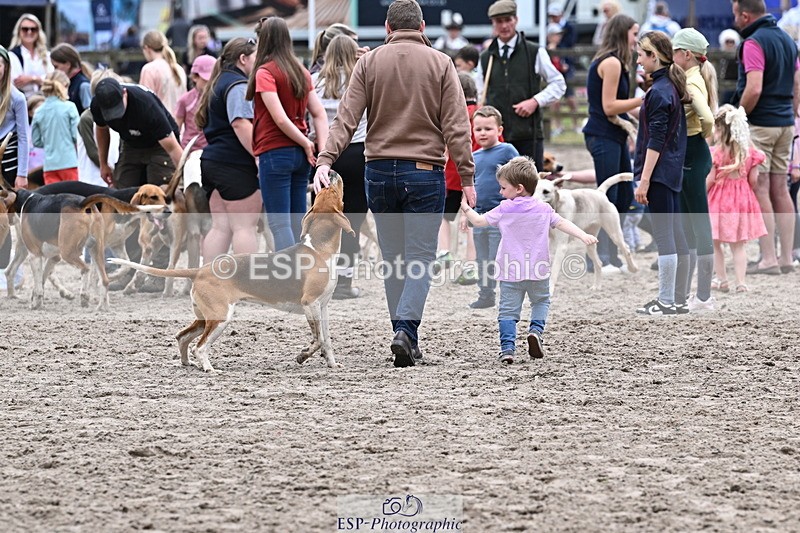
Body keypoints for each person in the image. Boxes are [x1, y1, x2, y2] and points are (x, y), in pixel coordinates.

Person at [313, 0, 476, 368]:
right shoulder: (441, 63)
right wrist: (467, 178)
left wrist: (325, 158)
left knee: (393, 259)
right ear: (422, 25)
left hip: (380, 170)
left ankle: (403, 333)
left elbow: (346, 118)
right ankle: (405, 331)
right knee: (420, 257)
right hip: (425, 170)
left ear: (387, 27)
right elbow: (456, 125)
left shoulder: (368, 63)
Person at [459, 156, 597, 364]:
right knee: (541, 301)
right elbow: (563, 224)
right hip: (538, 269)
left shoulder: (505, 208)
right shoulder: (544, 209)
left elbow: (478, 222)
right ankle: (535, 331)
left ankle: (507, 349)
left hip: (509, 270)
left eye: (503, 188)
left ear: (519, 188)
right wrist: (583, 236)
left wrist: (465, 207)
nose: (501, 192)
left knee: (507, 311)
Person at [248, 16, 328, 252]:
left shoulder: (265, 72)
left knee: (280, 223)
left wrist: (305, 142)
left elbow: (279, 117)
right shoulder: (301, 71)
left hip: (274, 152)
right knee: (297, 221)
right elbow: (319, 113)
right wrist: (320, 150)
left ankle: (289, 278)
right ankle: (302, 273)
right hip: (300, 157)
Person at [732, 0, 798, 275]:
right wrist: (793, 113)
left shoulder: (754, 42)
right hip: (785, 123)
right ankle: (786, 258)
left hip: (761, 123)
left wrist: (738, 116)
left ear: (745, 15)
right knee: (781, 189)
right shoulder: (787, 39)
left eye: (735, 14)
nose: (734, 20)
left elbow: (754, 87)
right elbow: (797, 82)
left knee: (761, 189)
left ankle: (767, 257)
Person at [633, 30, 691, 316]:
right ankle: (678, 299)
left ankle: (666, 300)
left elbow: (656, 140)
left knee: (665, 235)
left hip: (659, 171)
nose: (638, 60)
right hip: (672, 169)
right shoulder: (668, 87)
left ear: (654, 57)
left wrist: (644, 179)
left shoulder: (658, 91)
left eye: (642, 55)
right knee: (676, 234)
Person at [582, 14, 642, 272]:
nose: (637, 40)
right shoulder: (612, 63)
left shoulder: (614, 61)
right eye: (635, 34)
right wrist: (644, 100)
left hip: (612, 134)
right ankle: (599, 258)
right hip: (602, 132)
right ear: (623, 33)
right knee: (607, 198)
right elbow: (609, 106)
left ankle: (612, 256)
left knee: (623, 195)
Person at [310, 35, 368, 299]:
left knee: (322, 222)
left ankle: (321, 280)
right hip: (358, 153)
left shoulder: (315, 82)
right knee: (352, 221)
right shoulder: (363, 80)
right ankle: (345, 282)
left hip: (327, 156)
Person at [479, 0, 566, 170]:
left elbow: (558, 83)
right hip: (497, 138)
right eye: (499, 21)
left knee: (531, 188)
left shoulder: (534, 51)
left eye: (507, 20)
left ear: (516, 20)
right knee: (499, 189)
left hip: (528, 134)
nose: (504, 25)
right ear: (493, 24)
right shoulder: (486, 57)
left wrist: (535, 101)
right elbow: (479, 94)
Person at [195, 38, 262, 259]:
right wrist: (259, 153)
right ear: (243, 59)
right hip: (235, 164)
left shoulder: (218, 82)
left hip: (212, 161)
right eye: (255, 57)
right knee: (244, 228)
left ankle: (211, 285)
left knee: (220, 227)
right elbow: (240, 123)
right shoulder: (238, 85)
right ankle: (246, 285)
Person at [671, 28, 717, 312]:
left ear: (686, 55)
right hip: (692, 152)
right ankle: (693, 295)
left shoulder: (692, 81)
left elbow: (708, 115)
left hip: (693, 151)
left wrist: (703, 133)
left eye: (674, 51)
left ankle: (702, 296)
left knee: (697, 222)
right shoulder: (695, 76)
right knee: (690, 221)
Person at [707, 105, 768, 294]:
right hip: (742, 200)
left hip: (719, 200)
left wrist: (701, 195)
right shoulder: (751, 153)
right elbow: (754, 180)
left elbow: (709, 179)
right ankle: (741, 283)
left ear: (720, 130)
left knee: (715, 243)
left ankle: (722, 279)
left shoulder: (715, 153)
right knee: (738, 245)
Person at [467, 105, 519, 309]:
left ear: (499, 130)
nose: (482, 133)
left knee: (498, 256)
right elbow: (471, 185)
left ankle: (508, 293)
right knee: (481, 259)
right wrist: (466, 213)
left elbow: (521, 174)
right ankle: (485, 294)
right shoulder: (474, 156)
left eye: (488, 128)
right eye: (478, 129)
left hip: (501, 216)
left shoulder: (507, 150)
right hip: (480, 215)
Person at [91, 77, 183, 188]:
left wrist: (185, 175)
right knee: (121, 188)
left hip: (159, 145)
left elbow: (172, 147)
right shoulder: (97, 106)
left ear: (124, 93)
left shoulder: (147, 106)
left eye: (117, 109)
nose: (115, 116)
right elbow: (101, 129)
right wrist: (103, 164)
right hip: (131, 144)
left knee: (159, 189)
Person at [437, 72, 479, 286]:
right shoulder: (483, 116)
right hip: (476, 178)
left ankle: (445, 251)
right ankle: (470, 265)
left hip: (452, 176)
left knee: (444, 217)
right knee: (472, 221)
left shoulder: (450, 114)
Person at [0, 45, 30, 291]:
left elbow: (24, 137)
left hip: (8, 169)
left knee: (5, 220)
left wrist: (22, 173)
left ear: (6, 67)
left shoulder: (17, 98)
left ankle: (8, 269)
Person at [31, 71, 80, 184]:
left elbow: (36, 141)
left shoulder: (38, 112)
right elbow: (76, 136)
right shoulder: (70, 107)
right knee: (73, 197)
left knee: (53, 199)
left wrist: (49, 142)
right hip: (69, 163)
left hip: (49, 166)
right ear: (64, 86)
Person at [77, 70, 120, 186]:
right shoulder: (87, 118)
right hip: (91, 178)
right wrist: (108, 168)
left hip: (111, 177)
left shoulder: (117, 114)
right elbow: (91, 150)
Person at [139, 30, 187, 119]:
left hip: (160, 126)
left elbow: (145, 103)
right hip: (180, 125)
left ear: (147, 48)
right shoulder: (179, 69)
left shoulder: (149, 69)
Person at [547, 4, 579, 135]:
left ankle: (575, 125)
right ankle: (558, 126)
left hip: (566, 69)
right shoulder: (550, 45)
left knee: (571, 99)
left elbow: (570, 48)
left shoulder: (569, 29)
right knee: (555, 102)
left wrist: (566, 62)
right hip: (556, 72)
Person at [7, 14, 52, 98]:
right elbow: (16, 82)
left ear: (38, 32)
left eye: (33, 29)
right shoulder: (12, 55)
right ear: (19, 32)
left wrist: (32, 79)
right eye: (25, 29)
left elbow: (52, 79)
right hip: (23, 102)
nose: (29, 32)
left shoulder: (46, 55)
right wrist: (41, 80)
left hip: (44, 100)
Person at [175, 55, 215, 151]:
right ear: (195, 77)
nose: (209, 85)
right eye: (206, 81)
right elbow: (176, 129)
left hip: (213, 151)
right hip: (191, 151)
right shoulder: (185, 100)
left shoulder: (218, 98)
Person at [50, 44, 93, 115]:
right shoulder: (66, 84)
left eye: (56, 67)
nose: (55, 71)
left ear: (68, 64)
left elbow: (89, 116)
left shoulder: (83, 86)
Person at [717, 29, 741, 105]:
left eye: (732, 42)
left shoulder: (738, 58)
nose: (730, 44)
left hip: (734, 90)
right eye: (727, 42)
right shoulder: (717, 57)